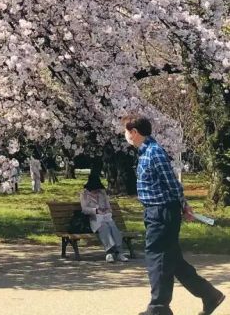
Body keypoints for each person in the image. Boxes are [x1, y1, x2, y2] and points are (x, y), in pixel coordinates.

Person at [124, 115, 225, 315]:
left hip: (161, 212)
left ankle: (158, 308)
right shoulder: (146, 153)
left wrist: (184, 206)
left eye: (126, 132)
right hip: (156, 212)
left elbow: (172, 184)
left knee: (157, 257)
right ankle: (210, 295)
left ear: (134, 132)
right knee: (172, 260)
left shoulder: (154, 153)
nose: (125, 136)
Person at [80, 173, 128, 262]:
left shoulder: (102, 193)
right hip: (94, 219)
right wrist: (95, 210)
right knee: (104, 227)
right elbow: (84, 209)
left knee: (112, 226)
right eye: (94, 190)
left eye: (97, 189)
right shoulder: (84, 194)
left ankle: (119, 252)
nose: (96, 191)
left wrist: (106, 211)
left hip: (106, 217)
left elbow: (109, 207)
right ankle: (109, 252)